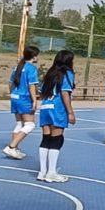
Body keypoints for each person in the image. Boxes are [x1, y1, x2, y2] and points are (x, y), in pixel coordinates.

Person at [37, 50, 77, 183]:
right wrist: (70, 112)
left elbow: (41, 92)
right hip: (57, 108)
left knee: (46, 139)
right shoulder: (67, 74)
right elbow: (65, 93)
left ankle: (42, 171)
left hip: (45, 106)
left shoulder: (50, 72)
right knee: (57, 140)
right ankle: (51, 172)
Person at [4, 46, 40, 160]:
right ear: (34, 56)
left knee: (20, 124)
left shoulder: (17, 67)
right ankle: (11, 146)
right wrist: (34, 100)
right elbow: (31, 85)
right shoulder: (31, 68)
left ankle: (14, 149)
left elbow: (10, 83)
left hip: (15, 96)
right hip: (24, 98)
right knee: (30, 124)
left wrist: (13, 94)